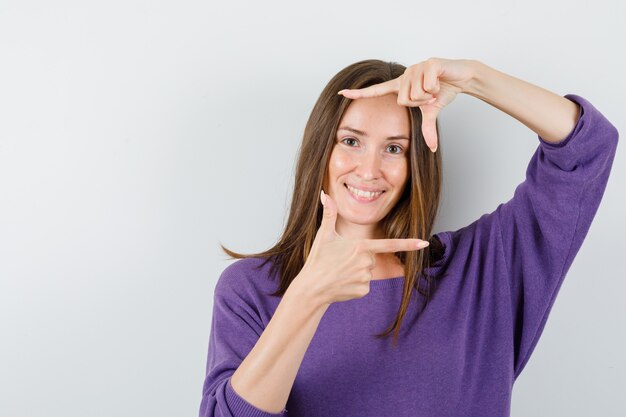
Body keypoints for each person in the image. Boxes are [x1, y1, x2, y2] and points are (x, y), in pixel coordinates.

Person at [199, 58, 619, 417]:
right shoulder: (252, 290)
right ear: (320, 151)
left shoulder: (481, 271)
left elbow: (588, 146)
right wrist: (307, 297)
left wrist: (473, 77)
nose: (369, 169)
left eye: (395, 149)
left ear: (417, 162)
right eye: (350, 141)